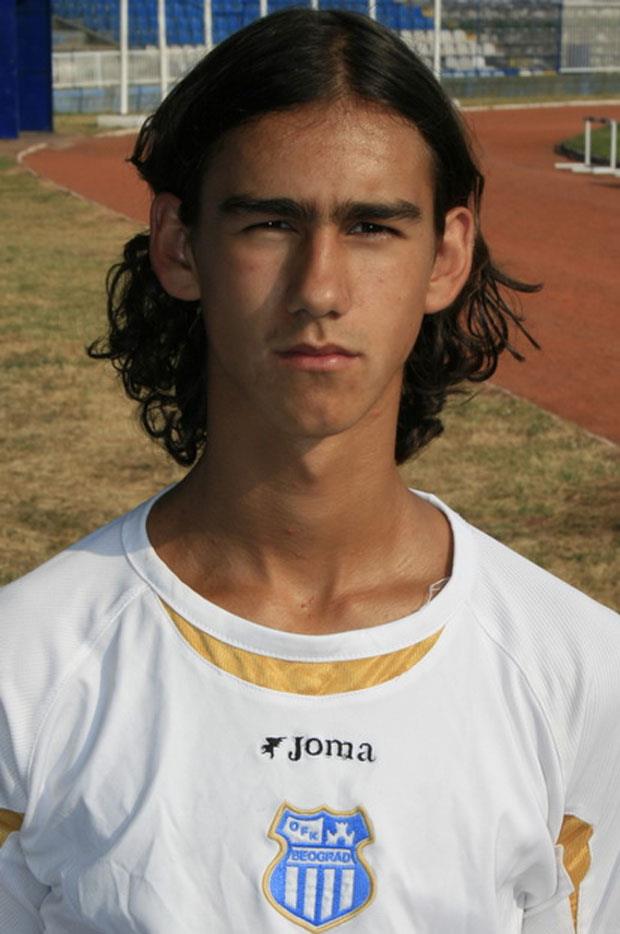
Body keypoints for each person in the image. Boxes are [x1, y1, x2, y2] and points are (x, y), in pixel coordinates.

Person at [0, 8, 618, 933]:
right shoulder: (26, 670)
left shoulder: (579, 673)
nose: (319, 288)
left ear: (447, 255)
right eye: (270, 222)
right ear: (179, 244)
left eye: (371, 226)